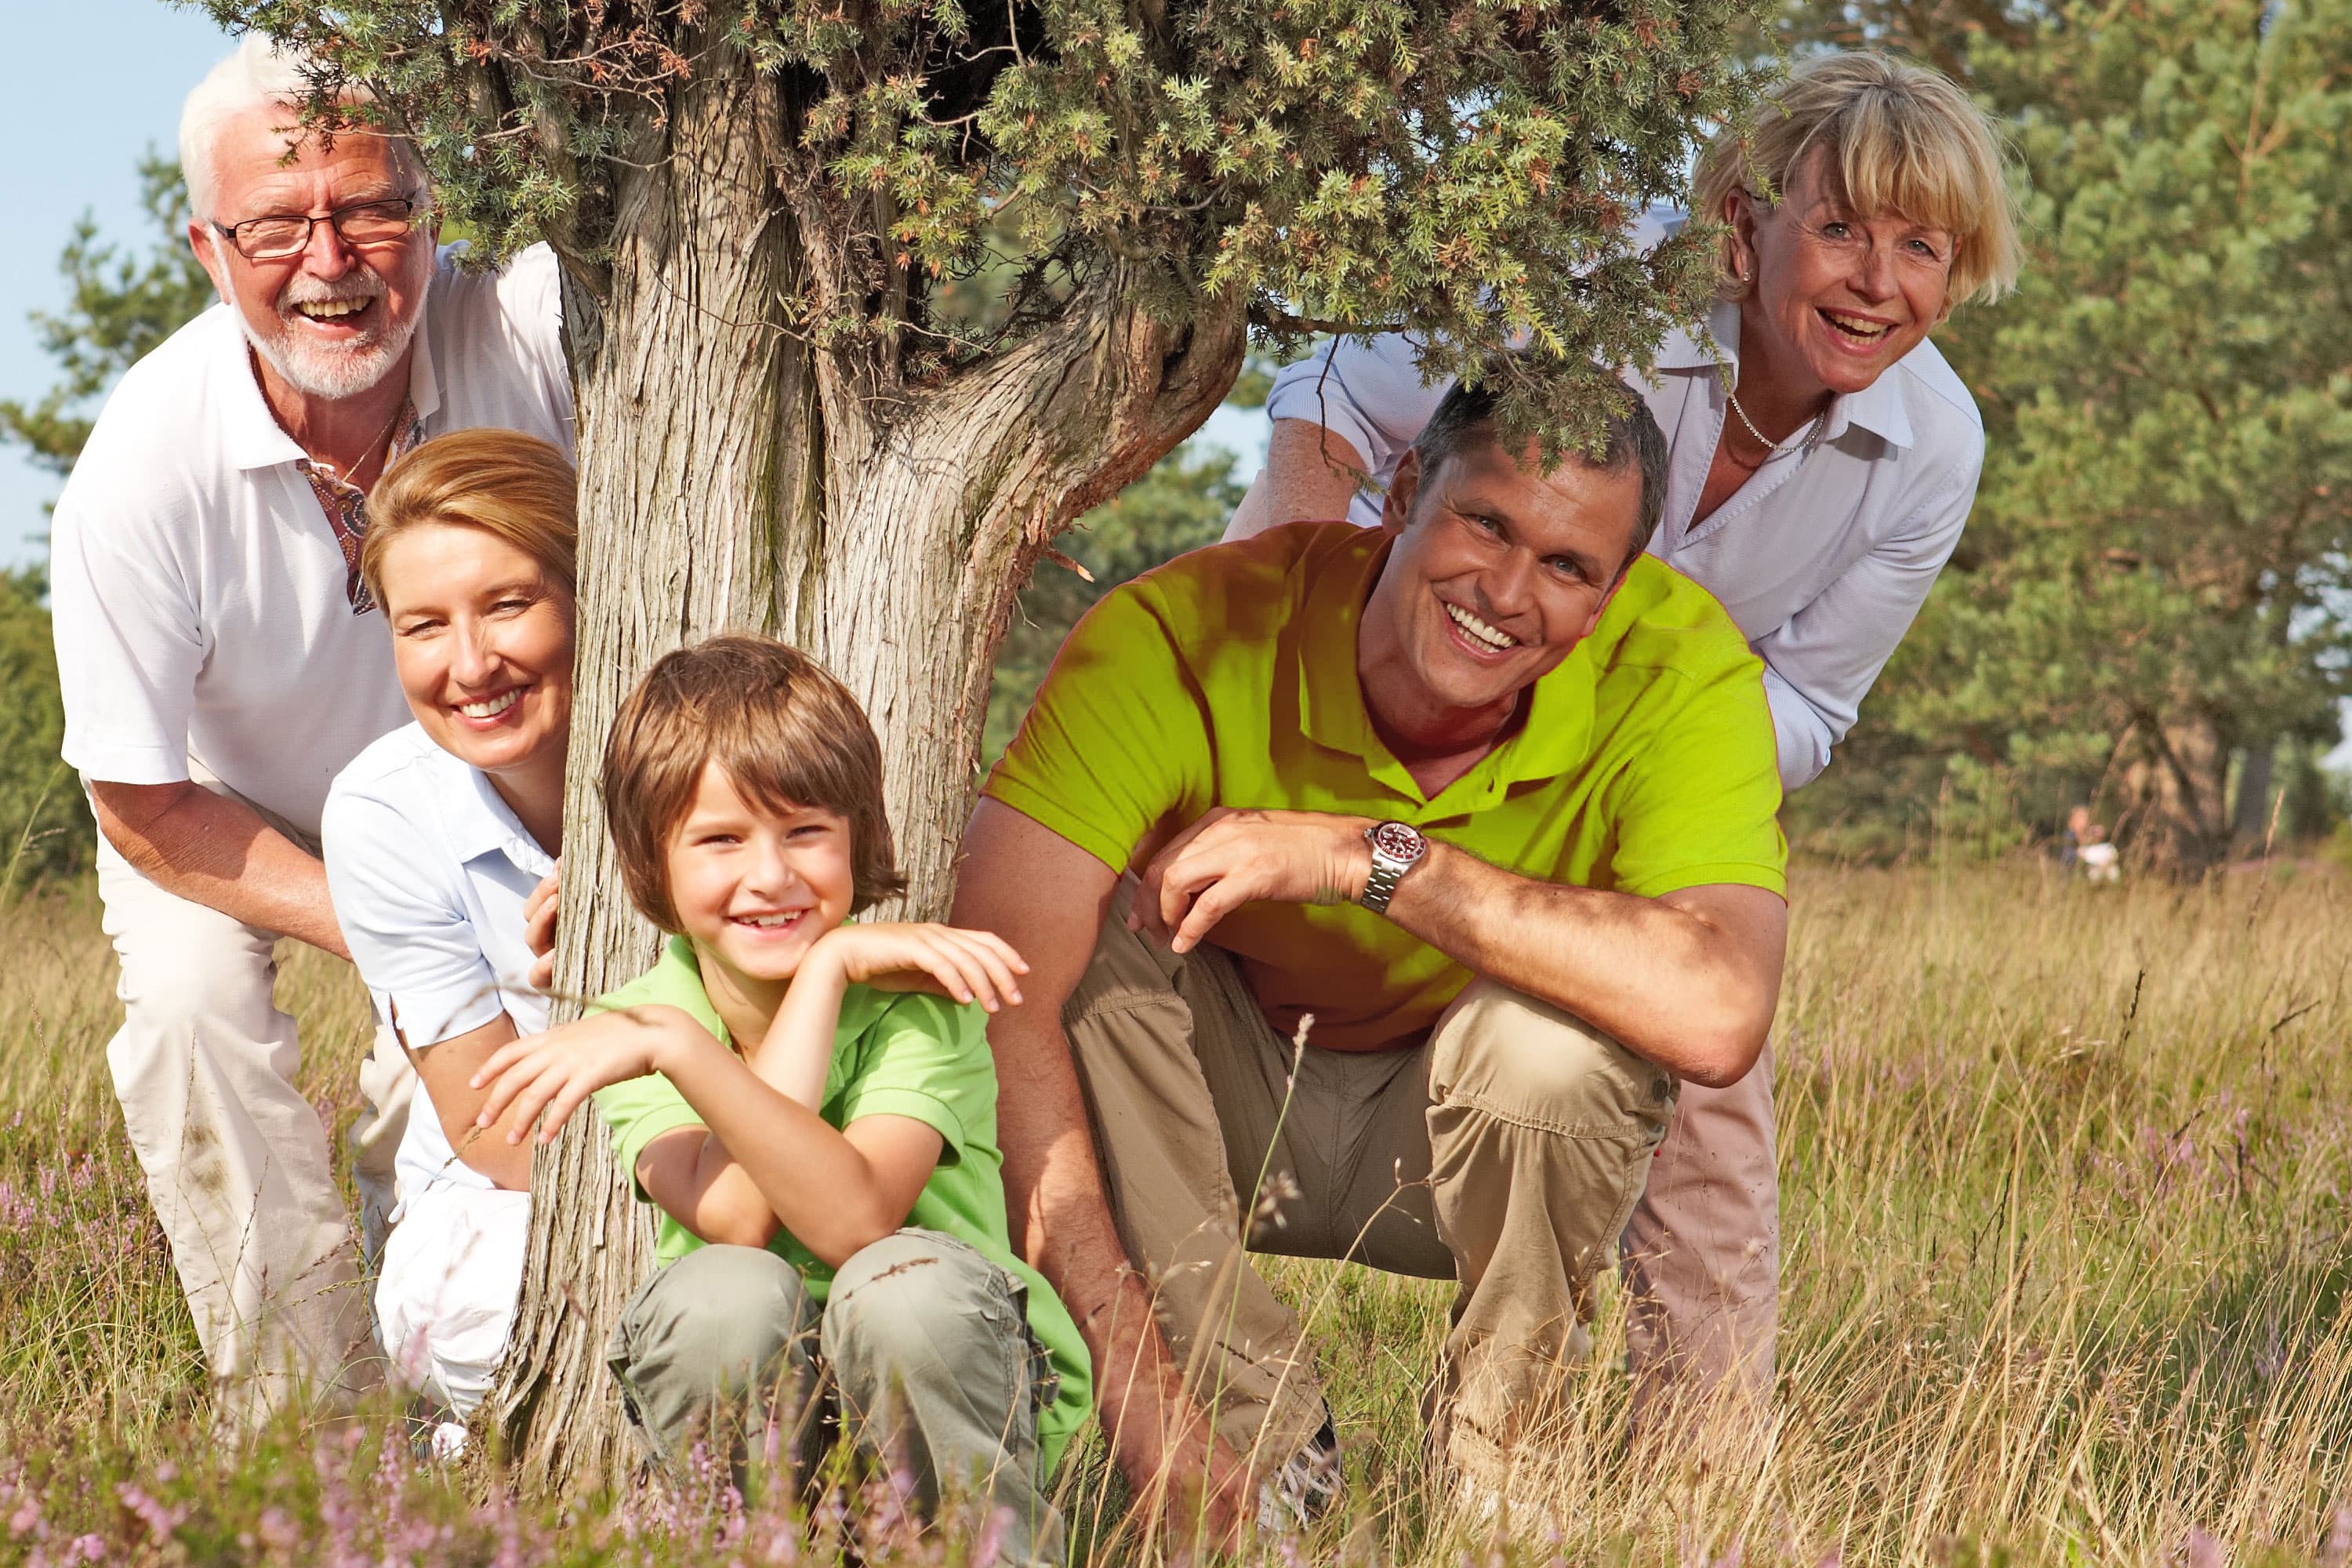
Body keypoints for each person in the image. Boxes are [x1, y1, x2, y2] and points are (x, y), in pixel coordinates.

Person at [1228, 49, 2024, 1414]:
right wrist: (1292, 660)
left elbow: (1811, 705)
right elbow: (1331, 399)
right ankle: (1200, 1416)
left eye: (1921, 249)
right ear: (1743, 223)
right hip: (1392, 729)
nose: (1876, 283)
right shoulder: (1584, 292)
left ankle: (1690, 1488)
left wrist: (1623, 781)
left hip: (1622, 796)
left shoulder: (1937, 449)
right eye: (1838, 229)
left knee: (1710, 1055)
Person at [953, 379, 1789, 1529]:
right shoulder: (1184, 629)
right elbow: (994, 999)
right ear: (1403, 492)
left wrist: (1375, 858)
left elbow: (1720, 1013)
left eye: (1567, 567)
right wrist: (1139, 1397)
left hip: (1455, 1133)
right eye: (1485, 523)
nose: (1505, 593)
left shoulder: (1681, 668)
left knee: (1560, 1043)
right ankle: (1254, 1463)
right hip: (1208, 1114)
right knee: (1079, 950)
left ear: (1611, 597)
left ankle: (1498, 1488)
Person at [46, 35, 572, 1423]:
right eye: (278, 223)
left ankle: (472, 1390)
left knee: (480, 1060)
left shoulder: (530, 334)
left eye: (370, 207)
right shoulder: (137, 471)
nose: (331, 258)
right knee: (187, 1024)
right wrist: (397, 925)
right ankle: (311, 1427)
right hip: (220, 809)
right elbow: (141, 801)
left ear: (431, 214)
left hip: (488, 788)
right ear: (208, 250)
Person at [468, 635, 1091, 1566]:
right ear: (653, 864)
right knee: (722, 1294)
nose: (771, 875)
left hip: (940, 1392)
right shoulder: (636, 1025)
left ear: (860, 841)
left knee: (903, 1289)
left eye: (805, 831)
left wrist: (832, 967)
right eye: (720, 839)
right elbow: (741, 1215)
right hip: (758, 1400)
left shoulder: (922, 1007)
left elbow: (855, 1219)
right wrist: (675, 1040)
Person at [318, 430, 578, 1433]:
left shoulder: (706, 749)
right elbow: (491, 1130)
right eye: (423, 625)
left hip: (745, 1148)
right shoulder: (383, 807)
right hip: (504, 1187)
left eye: (509, 603)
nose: (472, 664)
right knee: (457, 1315)